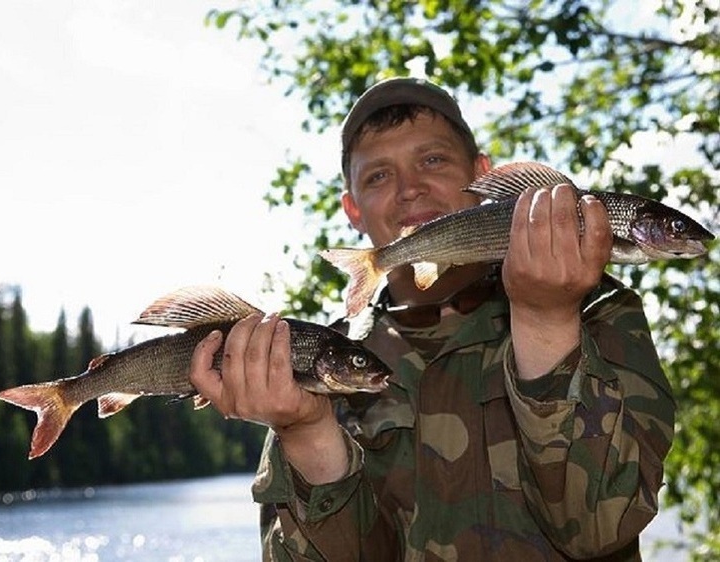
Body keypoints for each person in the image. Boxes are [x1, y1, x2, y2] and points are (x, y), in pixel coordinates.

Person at [189, 77, 675, 561]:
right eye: (379, 175)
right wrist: (307, 433)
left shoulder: (597, 311)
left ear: (483, 175)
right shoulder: (318, 364)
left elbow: (598, 531)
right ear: (353, 209)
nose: (410, 189)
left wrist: (547, 321)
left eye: (433, 160)